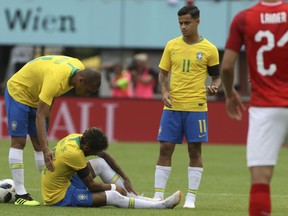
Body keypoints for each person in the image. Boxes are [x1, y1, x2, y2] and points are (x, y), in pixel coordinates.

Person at [4, 55, 102, 206]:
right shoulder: (56, 78)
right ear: (81, 80)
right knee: (19, 142)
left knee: (38, 144)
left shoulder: (77, 69)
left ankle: (47, 187)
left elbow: (51, 99)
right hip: (19, 91)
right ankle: (20, 194)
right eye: (88, 91)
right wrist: (45, 148)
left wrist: (44, 146)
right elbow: (41, 115)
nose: (87, 95)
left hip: (36, 96)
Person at [220, 1, 288, 215]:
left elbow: (228, 66)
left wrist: (230, 94)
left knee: (261, 178)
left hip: (265, 107)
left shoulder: (244, 18)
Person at [153, 5, 221, 209]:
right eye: (180, 23)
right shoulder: (171, 46)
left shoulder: (209, 49)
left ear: (197, 21)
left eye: (187, 23)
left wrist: (215, 87)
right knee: (165, 148)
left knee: (194, 150)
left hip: (197, 107)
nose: (183, 27)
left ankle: (191, 197)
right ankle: (158, 195)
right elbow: (163, 74)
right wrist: (164, 92)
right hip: (172, 106)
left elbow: (217, 77)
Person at [41, 127, 182, 209]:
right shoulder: (74, 154)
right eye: (92, 151)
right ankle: (159, 205)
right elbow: (91, 185)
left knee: (101, 163)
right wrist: (114, 187)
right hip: (59, 197)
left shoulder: (77, 138)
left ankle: (136, 198)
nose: (91, 154)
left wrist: (125, 178)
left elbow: (104, 155)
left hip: (66, 182)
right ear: (86, 147)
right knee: (114, 196)